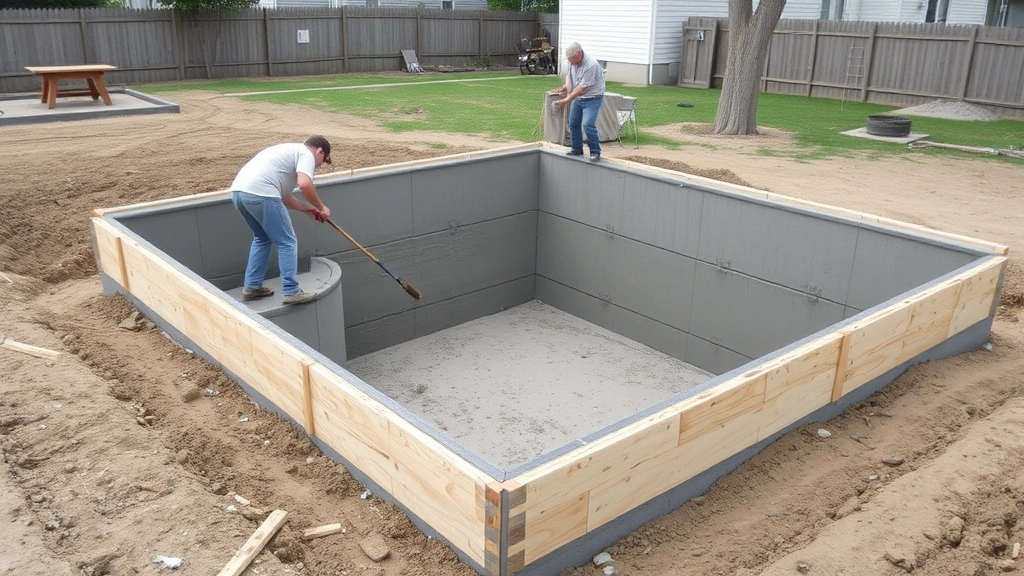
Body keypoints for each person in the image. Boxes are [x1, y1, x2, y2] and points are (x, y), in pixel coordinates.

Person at [230, 135, 333, 305]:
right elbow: (305, 184)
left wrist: (311, 210)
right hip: (261, 193)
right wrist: (322, 207)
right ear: (320, 151)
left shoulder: (287, 153)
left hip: (239, 194)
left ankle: (252, 287)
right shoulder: (305, 153)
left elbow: (285, 198)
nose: (317, 166)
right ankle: (291, 291)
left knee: (262, 238)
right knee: (287, 242)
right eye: (322, 161)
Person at [555, 42, 606, 162]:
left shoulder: (591, 65)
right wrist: (566, 87)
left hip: (592, 98)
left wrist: (567, 99)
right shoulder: (572, 61)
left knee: (588, 124)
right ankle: (577, 149)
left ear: (580, 53)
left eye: (573, 59)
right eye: (570, 60)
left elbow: (582, 88)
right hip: (578, 99)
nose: (571, 62)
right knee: (573, 123)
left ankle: (595, 152)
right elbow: (570, 76)